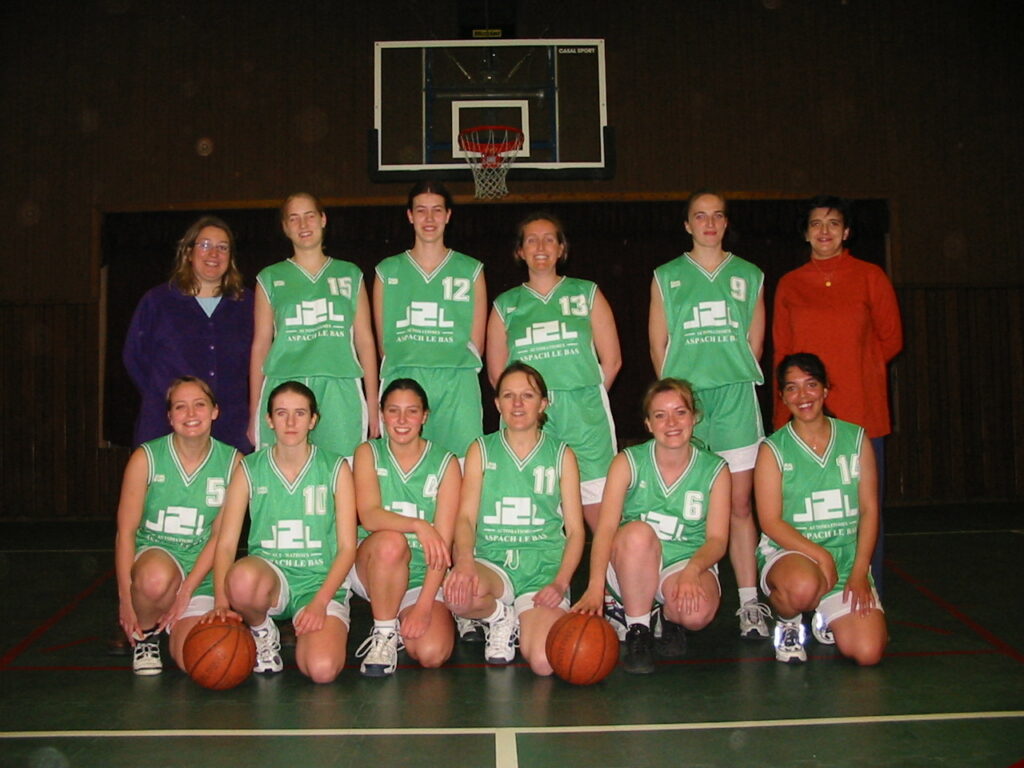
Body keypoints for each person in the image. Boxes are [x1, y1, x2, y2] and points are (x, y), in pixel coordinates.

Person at [648, 191, 770, 640]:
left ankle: (749, 602)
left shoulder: (749, 275)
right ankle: (664, 598)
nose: (710, 223)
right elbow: (658, 345)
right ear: (687, 225)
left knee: (739, 506)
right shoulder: (667, 276)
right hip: (688, 404)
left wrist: (726, 372)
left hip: (735, 399)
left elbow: (755, 345)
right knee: (682, 505)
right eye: (700, 216)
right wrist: (676, 404)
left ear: (726, 222)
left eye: (717, 215)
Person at [772, 195, 902, 594]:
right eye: (815, 224)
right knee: (804, 512)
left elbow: (891, 339)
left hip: (860, 413)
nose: (824, 231)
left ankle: (865, 591)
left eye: (832, 223)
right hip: (804, 418)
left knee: (863, 511)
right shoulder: (790, 284)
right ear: (805, 234)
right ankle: (808, 596)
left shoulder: (870, 276)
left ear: (846, 232)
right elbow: (783, 351)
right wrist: (786, 413)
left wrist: (855, 370)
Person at [573, 379, 731, 674]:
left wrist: (693, 570)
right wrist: (595, 587)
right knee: (638, 533)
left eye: (680, 412)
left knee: (697, 614)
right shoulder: (628, 462)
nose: (671, 423)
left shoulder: (715, 469)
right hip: (632, 562)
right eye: (660, 415)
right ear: (648, 423)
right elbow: (605, 530)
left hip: (683, 561)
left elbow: (718, 540)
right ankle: (638, 628)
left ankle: (666, 617)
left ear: (694, 417)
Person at [209, 381, 357, 683]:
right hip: (270, 579)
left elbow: (346, 548)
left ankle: (313, 624)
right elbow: (225, 544)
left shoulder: (336, 468)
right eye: (281, 413)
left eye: (300, 413)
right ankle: (262, 629)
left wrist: (320, 603)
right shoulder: (249, 468)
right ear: (269, 420)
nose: (290, 422)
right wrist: (222, 602)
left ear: (313, 420)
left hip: (318, 583)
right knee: (241, 579)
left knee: (322, 670)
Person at [443, 362, 586, 675]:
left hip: (543, 570)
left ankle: (522, 619)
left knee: (545, 663)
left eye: (527, 395)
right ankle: (499, 617)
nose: (517, 403)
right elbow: (465, 518)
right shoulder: (481, 449)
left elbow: (576, 531)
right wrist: (464, 562)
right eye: (508, 395)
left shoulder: (562, 455)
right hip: (493, 564)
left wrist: (561, 582)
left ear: (543, 403)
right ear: (497, 404)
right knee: (457, 593)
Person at [487, 212, 621, 532]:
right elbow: (497, 375)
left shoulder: (586, 293)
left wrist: (585, 397)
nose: (541, 247)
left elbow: (612, 361)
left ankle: (612, 568)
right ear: (520, 251)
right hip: (530, 417)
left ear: (562, 248)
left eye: (549, 239)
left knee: (601, 517)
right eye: (531, 240)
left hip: (585, 417)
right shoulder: (506, 305)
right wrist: (527, 407)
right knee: (536, 513)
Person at [754, 353, 886, 665]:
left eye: (811, 384)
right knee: (802, 587)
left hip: (846, 559)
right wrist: (821, 556)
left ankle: (826, 616)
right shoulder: (773, 449)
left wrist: (859, 571)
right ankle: (788, 622)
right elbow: (770, 522)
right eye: (792, 388)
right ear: (782, 397)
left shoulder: (855, 439)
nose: (803, 395)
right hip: (792, 554)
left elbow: (869, 510)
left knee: (868, 653)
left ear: (825, 389)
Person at [114, 376, 241, 675]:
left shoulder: (233, 462)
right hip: (156, 559)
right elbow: (126, 534)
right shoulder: (146, 458)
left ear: (215, 411)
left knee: (204, 662)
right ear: (170, 417)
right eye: (180, 407)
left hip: (201, 571)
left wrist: (187, 592)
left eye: (200, 405)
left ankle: (173, 627)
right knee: (155, 579)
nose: (191, 414)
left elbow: (220, 537)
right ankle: (147, 634)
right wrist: (125, 599)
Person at [250, 193, 379, 459]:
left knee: (342, 471)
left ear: (323, 219)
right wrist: (254, 411)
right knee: (280, 473)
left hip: (339, 386)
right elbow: (261, 345)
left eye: (310, 216)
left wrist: (373, 403)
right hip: (284, 386)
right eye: (294, 218)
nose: (303, 224)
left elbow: (365, 341)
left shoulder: (350, 274)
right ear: (285, 227)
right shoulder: (270, 278)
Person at [351, 378, 461, 677]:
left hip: (422, 572)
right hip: (374, 565)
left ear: (424, 416)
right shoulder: (368, 453)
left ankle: (404, 613)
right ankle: (385, 631)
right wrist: (418, 525)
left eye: (411, 411)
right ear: (382, 414)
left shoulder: (446, 463)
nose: (401, 420)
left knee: (432, 653)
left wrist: (424, 606)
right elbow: (370, 516)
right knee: (391, 542)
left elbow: (442, 547)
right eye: (393, 411)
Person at [374, 181, 486, 458]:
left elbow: (477, 342)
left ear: (448, 215)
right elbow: (384, 344)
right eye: (421, 210)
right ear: (410, 216)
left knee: (463, 467)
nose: (429, 218)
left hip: (456, 383)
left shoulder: (470, 269)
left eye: (437, 210)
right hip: (405, 379)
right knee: (402, 468)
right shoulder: (387, 271)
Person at [123, 215, 254, 454]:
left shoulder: (248, 304)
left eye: (222, 247)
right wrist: (167, 397)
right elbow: (134, 357)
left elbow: (262, 360)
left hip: (230, 428)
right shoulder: (157, 301)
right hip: (165, 428)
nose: (213, 253)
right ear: (189, 252)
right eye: (205, 245)